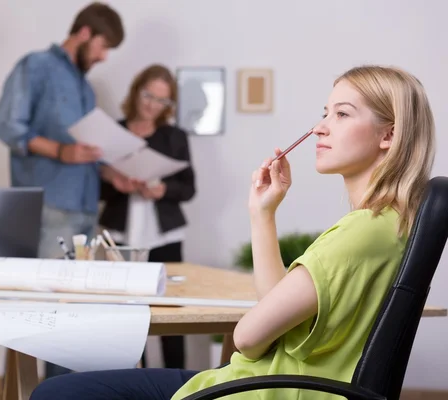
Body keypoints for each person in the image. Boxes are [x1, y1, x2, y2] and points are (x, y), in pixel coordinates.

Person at [29, 64, 436, 400]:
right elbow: (274, 308)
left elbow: (247, 335)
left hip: (255, 392)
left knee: (57, 393)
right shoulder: (391, 226)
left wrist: (261, 335)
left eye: (342, 114)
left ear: (389, 135)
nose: (319, 128)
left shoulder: (359, 231)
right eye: (324, 112)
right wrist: (262, 213)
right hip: (268, 386)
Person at [0, 2, 124, 378]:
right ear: (84, 33)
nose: (101, 58)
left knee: (77, 312)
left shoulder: (83, 86)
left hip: (84, 211)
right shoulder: (35, 67)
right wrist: (61, 150)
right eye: (102, 47)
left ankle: (69, 389)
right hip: (50, 208)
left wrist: (116, 176)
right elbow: (7, 126)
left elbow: (89, 151)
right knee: (55, 312)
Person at [99, 64, 196, 369]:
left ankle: (178, 387)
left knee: (170, 316)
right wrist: (117, 182)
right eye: (148, 95)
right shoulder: (113, 131)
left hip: (163, 235)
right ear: (136, 90)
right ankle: (133, 385)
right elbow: (96, 190)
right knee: (125, 317)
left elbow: (189, 188)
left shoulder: (174, 137)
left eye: (162, 101)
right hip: (120, 236)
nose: (152, 105)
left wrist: (162, 188)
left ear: (169, 105)